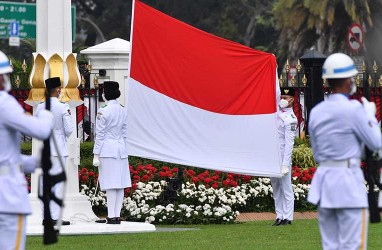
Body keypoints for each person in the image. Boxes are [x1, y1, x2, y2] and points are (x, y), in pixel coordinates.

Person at [308, 53, 382, 249]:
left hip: (325, 183)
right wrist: (370, 116)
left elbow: (316, 152)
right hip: (348, 185)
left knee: (330, 246)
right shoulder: (354, 109)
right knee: (353, 246)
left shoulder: (316, 112)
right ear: (349, 80)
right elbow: (376, 143)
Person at [0, 50, 54, 250]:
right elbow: (40, 131)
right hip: (6, 197)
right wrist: (46, 114)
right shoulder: (4, 103)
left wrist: (34, 163)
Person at [93, 81, 131, 224]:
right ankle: (116, 215)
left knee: (110, 183)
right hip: (121, 149)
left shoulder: (103, 110)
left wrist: (96, 154)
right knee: (120, 183)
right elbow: (125, 133)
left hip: (107, 150)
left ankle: (111, 215)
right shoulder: (123, 109)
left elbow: (100, 135)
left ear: (105, 94)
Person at [36, 77, 73, 226]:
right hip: (58, 149)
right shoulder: (63, 107)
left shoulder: (40, 107)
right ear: (58, 90)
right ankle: (54, 217)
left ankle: (46, 216)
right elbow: (69, 130)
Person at [270, 87, 297, 226]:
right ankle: (279, 215)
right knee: (276, 187)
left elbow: (289, 144)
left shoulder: (291, 119)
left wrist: (286, 163)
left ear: (292, 99)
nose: (283, 100)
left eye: (286, 98)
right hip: (273, 155)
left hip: (282, 156)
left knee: (286, 187)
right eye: (282, 97)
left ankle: (288, 216)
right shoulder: (276, 112)